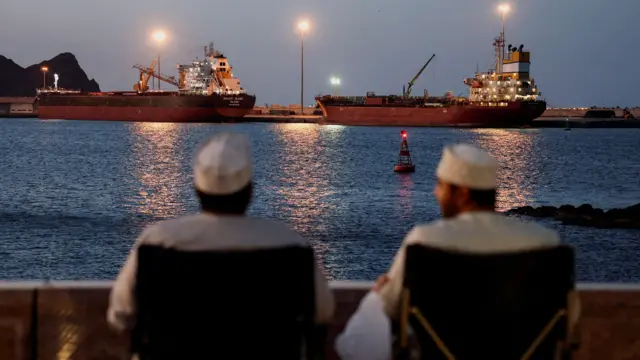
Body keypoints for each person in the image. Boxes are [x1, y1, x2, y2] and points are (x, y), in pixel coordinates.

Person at [336, 143, 579, 359]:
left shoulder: (424, 241)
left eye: (441, 186)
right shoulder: (547, 243)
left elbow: (390, 308)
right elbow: (568, 317)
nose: (435, 193)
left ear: (462, 194)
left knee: (375, 302)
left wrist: (381, 293)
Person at [107, 132, 335, 332]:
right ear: (250, 190)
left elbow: (120, 314)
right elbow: (323, 311)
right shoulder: (292, 245)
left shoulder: (155, 242)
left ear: (197, 190)